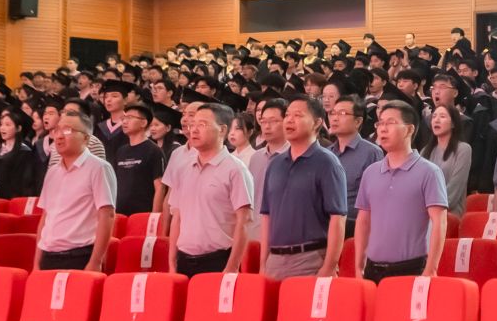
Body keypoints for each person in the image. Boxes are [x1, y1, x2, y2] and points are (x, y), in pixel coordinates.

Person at [352, 101, 448, 281]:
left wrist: (431, 268)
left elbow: (439, 223)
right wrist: (358, 265)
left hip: (411, 268)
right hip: (372, 269)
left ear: (409, 129)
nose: (383, 129)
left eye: (390, 123)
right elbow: (363, 221)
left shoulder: (429, 172)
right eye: (380, 123)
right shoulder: (371, 172)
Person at [258, 96, 347, 281]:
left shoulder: (327, 162)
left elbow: (338, 218)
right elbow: (266, 216)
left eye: (298, 115)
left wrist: (329, 267)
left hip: (311, 259)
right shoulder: (275, 164)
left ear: (317, 123)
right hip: (274, 260)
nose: (289, 120)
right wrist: (263, 264)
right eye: (287, 115)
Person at [162, 104, 254, 276]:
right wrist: (172, 263)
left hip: (218, 261)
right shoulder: (183, 168)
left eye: (202, 124)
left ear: (222, 130)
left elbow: (244, 221)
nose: (194, 130)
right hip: (183, 261)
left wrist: (232, 267)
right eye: (193, 124)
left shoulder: (235, 170)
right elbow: (177, 217)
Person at [34, 112, 115, 271]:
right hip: (48, 257)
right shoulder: (52, 172)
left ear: (86, 138)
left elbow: (107, 215)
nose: (59, 136)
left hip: (80, 256)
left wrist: (95, 262)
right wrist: (37, 263)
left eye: (67, 130)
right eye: (57, 130)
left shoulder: (99, 168)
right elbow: (45, 218)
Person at [327, 97, 382, 221]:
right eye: (332, 113)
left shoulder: (371, 152)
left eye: (342, 113)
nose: (335, 118)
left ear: (358, 121)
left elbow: (376, 197)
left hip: (354, 224)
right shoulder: (327, 153)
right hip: (325, 223)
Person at [110, 103, 164, 215]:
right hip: (120, 214)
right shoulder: (121, 151)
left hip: (143, 214)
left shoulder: (154, 150)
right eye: (123, 118)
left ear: (143, 123)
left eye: (129, 118)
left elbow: (160, 187)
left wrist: (154, 216)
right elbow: (114, 184)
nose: (124, 122)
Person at [419, 103, 471, 214]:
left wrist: (432, 209)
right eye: (434, 116)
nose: (436, 120)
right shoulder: (425, 151)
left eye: (442, 116)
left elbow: (455, 188)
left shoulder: (463, 149)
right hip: (424, 212)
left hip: (450, 213)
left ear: (453, 123)